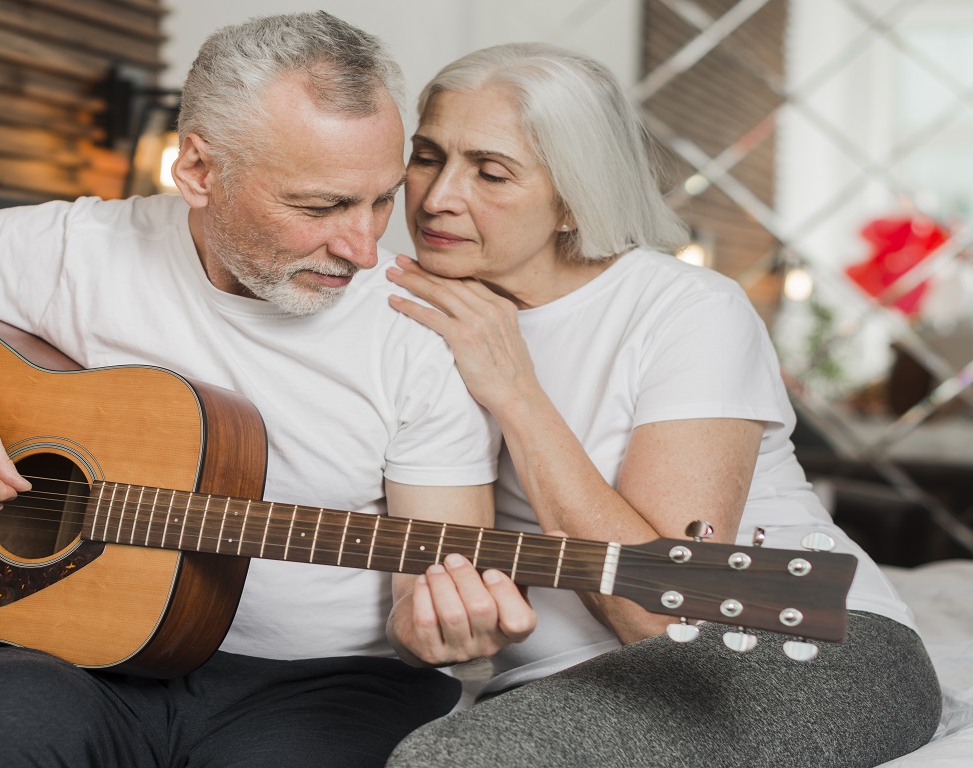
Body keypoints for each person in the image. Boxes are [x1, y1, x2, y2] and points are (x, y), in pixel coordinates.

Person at [0, 13, 528, 768]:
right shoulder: (75, 248)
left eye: (383, 197)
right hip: (72, 658)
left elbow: (441, 570)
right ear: (199, 170)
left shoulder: (422, 327)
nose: (362, 244)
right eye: (320, 205)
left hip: (323, 684)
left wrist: (442, 630)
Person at [381, 43, 942, 767]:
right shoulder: (405, 309)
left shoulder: (687, 310)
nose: (436, 197)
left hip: (799, 643)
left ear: (574, 198)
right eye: (426, 156)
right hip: (562, 684)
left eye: (490, 171)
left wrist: (516, 393)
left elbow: (660, 614)